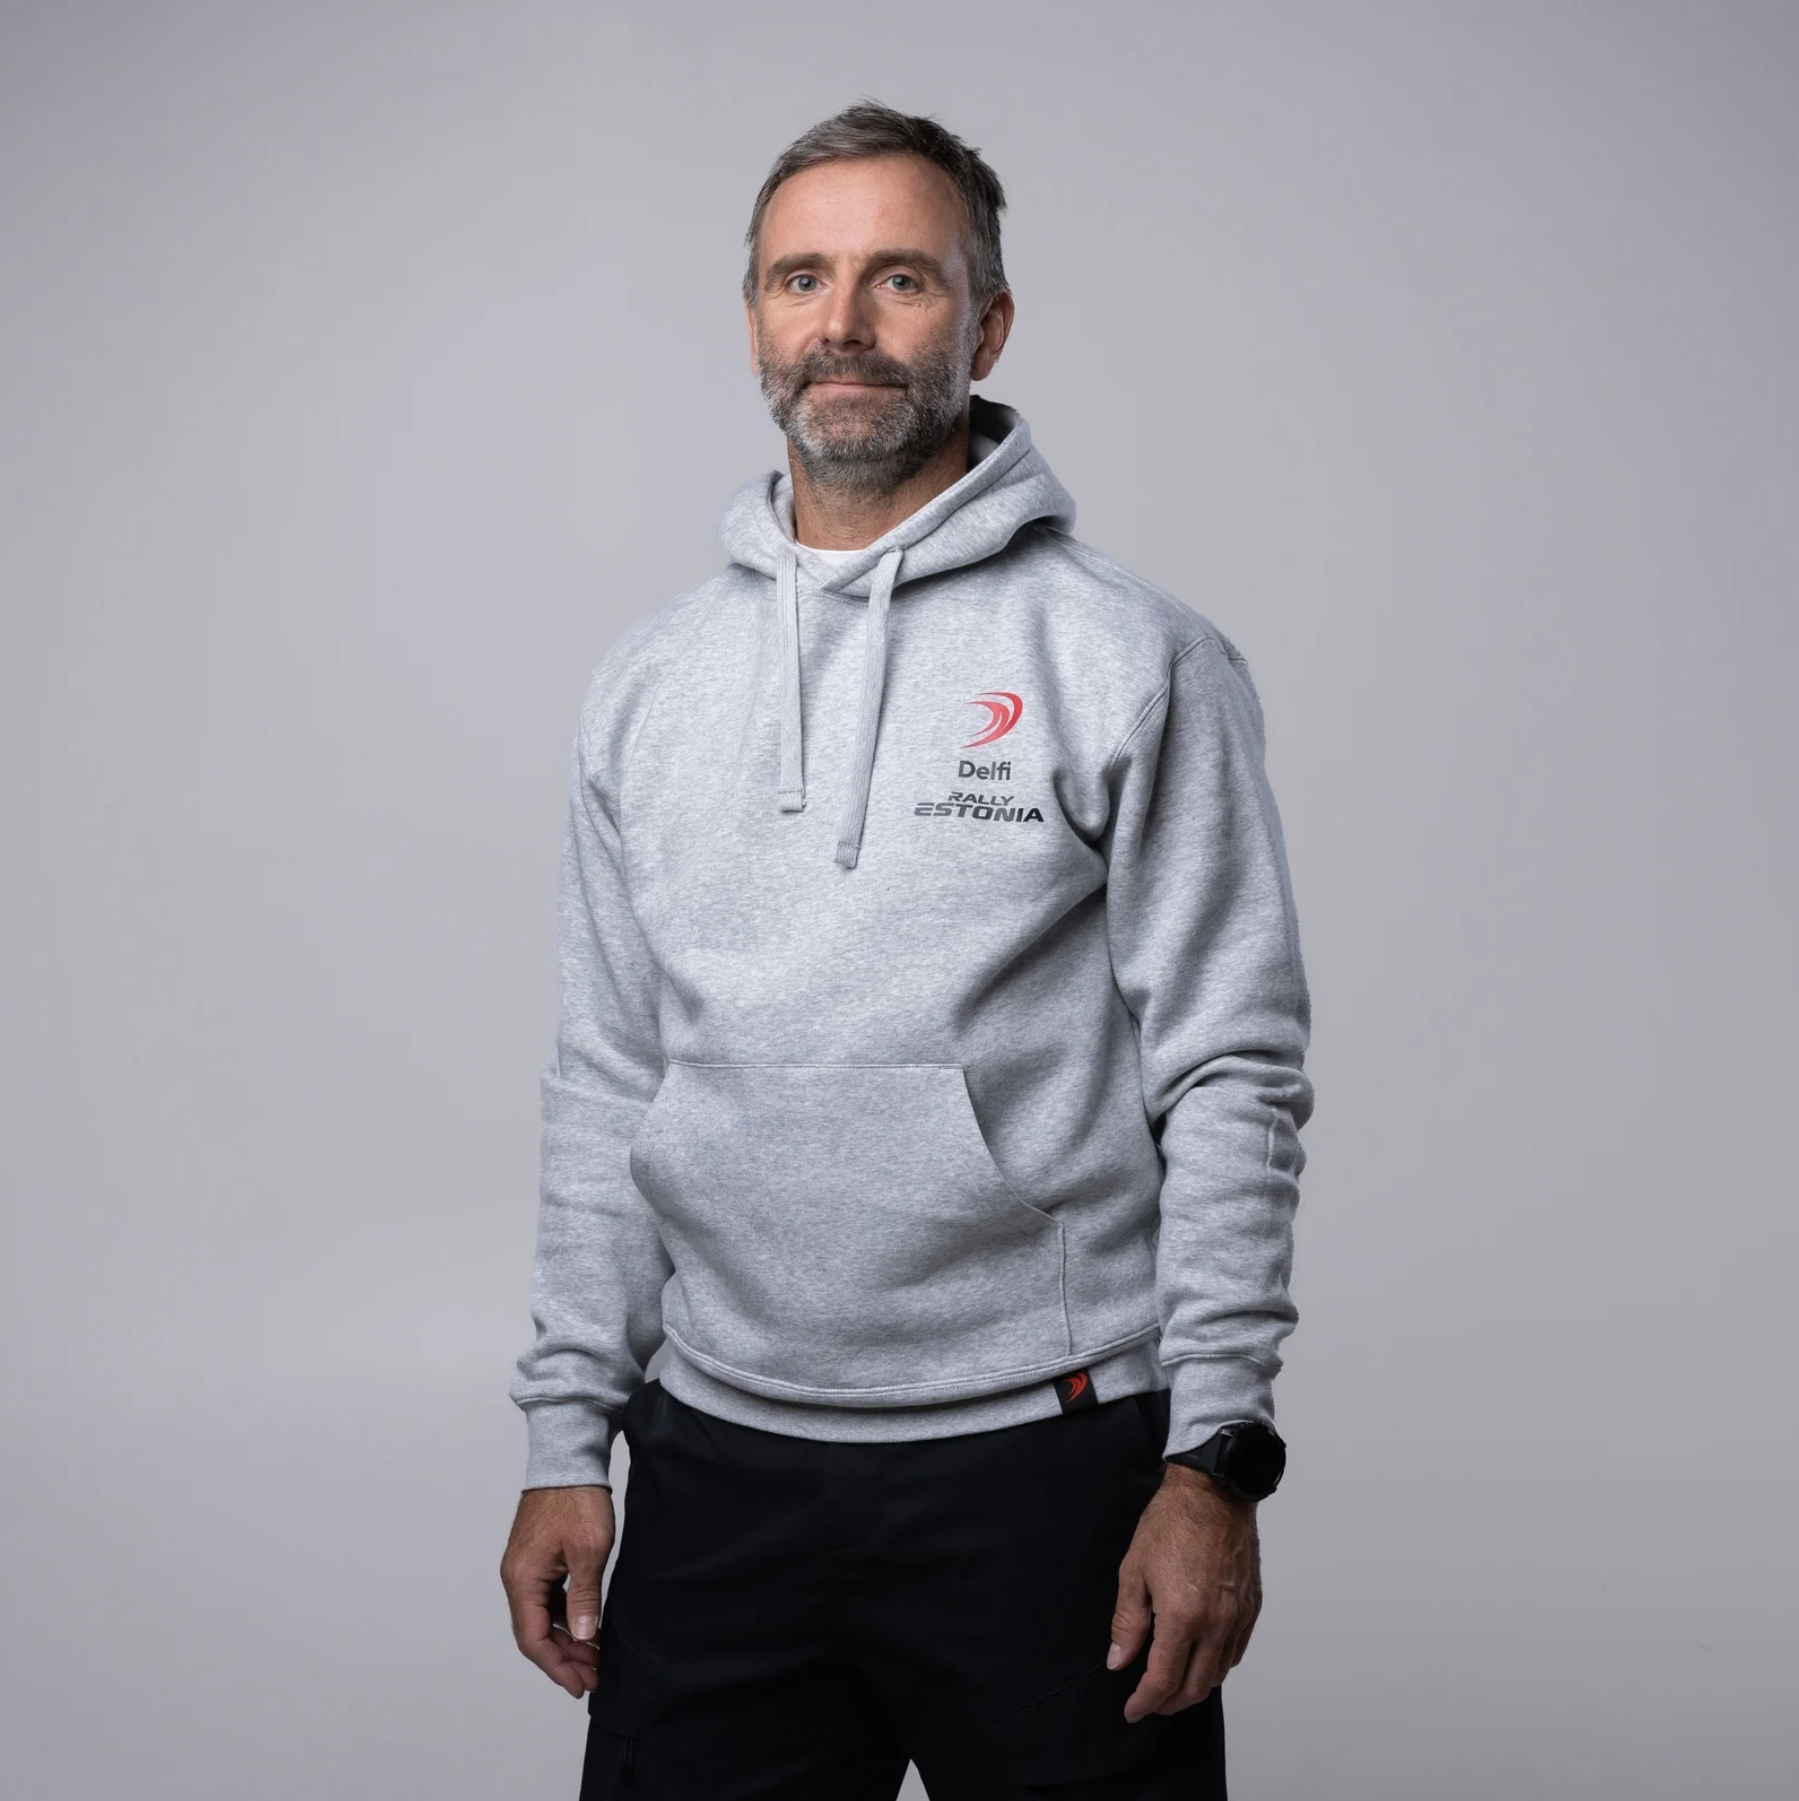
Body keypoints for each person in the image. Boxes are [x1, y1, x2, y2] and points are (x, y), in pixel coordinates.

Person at [500, 101, 1313, 1801]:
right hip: (716, 1465)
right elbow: (607, 1079)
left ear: (985, 324)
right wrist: (566, 1434)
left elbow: (1232, 1068)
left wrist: (1212, 1461)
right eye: (801, 278)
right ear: (754, 321)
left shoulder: (1131, 657)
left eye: (902, 278)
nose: (845, 322)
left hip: (1051, 1467)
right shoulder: (647, 685)